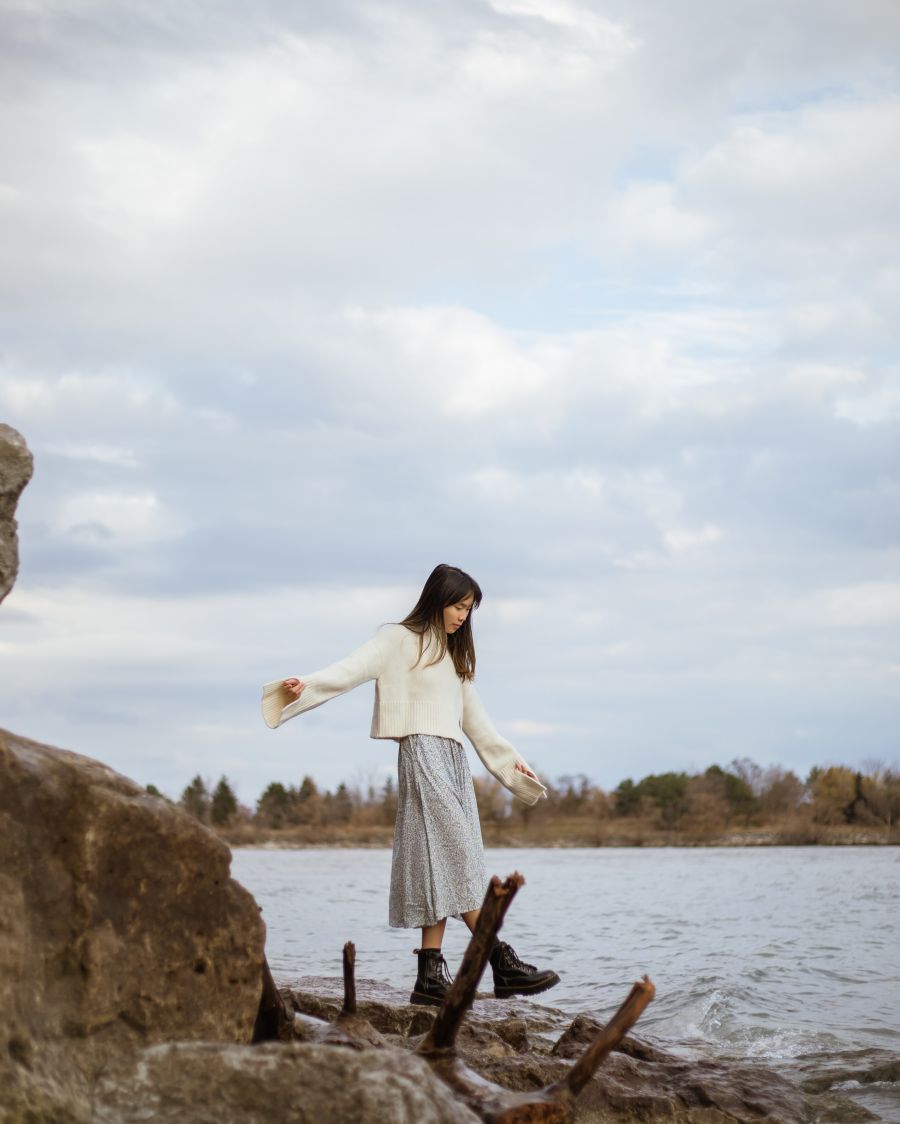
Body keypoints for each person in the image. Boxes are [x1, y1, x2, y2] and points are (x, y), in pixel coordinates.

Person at [261, 563, 560, 1006]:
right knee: (457, 859)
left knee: (434, 861)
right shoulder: (397, 639)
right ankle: (500, 960)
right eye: (459, 605)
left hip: (454, 762)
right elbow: (349, 670)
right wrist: (302, 685)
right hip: (421, 756)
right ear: (438, 598)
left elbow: (480, 726)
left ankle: (429, 974)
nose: (463, 616)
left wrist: (516, 768)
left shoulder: (456, 658)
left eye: (469, 610)